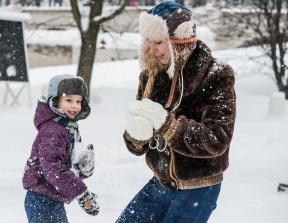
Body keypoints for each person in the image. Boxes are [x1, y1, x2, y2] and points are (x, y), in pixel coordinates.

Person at [116, 1, 236, 223]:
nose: (152, 49)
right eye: (149, 42)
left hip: (199, 187)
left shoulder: (216, 75)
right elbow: (137, 144)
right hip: (161, 181)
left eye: (159, 42)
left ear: (179, 42)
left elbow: (218, 139)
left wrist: (169, 126)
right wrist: (136, 136)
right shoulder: (150, 74)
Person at [22, 74, 99, 222]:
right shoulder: (52, 131)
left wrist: (83, 168)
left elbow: (67, 168)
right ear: (55, 102)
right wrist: (81, 192)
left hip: (54, 198)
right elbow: (54, 171)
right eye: (68, 100)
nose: (75, 105)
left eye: (78, 101)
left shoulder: (70, 128)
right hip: (41, 200)